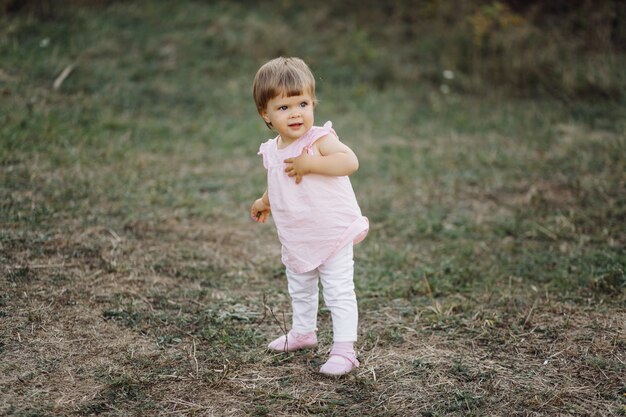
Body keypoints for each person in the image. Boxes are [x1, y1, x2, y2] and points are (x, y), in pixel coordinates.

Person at [250, 57, 369, 376]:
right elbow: (278, 180)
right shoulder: (273, 150)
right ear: (266, 114)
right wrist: (265, 201)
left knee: (338, 290)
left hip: (332, 231)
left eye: (302, 103)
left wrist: (311, 164)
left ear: (313, 102)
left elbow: (350, 161)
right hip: (299, 235)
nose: (296, 113)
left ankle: (345, 350)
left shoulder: (318, 139)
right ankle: (303, 332)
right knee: (299, 285)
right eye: (284, 107)